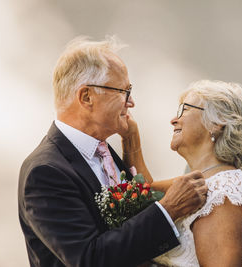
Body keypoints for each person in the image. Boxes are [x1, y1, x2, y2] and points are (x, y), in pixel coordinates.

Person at [17, 36, 208, 267]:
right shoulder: (45, 172)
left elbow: (136, 213)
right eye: (124, 91)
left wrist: (132, 144)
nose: (132, 102)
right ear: (87, 97)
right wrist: (168, 210)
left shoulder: (106, 153)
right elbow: (90, 259)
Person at [124, 80, 242, 267]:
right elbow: (144, 191)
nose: (174, 120)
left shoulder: (224, 189)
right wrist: (130, 136)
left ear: (217, 123)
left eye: (185, 110)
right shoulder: (203, 180)